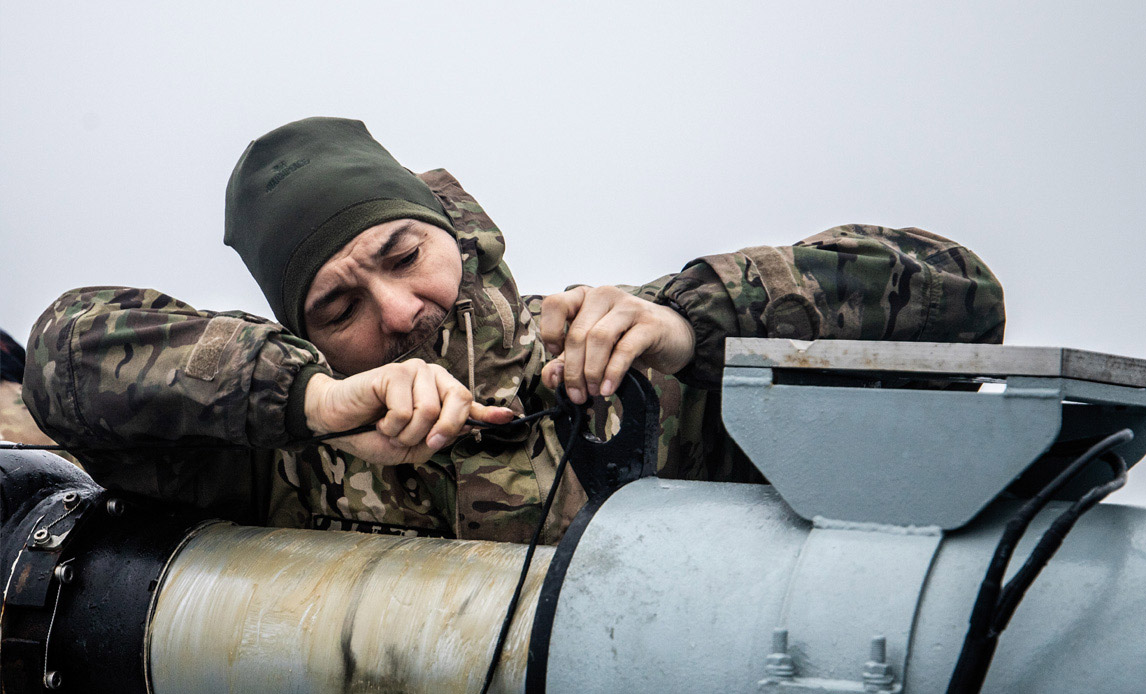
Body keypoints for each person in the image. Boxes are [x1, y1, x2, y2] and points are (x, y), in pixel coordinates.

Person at [22, 117, 1005, 543]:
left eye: (404, 255)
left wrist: (692, 326)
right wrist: (310, 405)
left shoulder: (619, 354)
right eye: (338, 307)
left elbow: (963, 299)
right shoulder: (284, 455)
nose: (399, 311)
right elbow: (65, 357)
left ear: (452, 232)